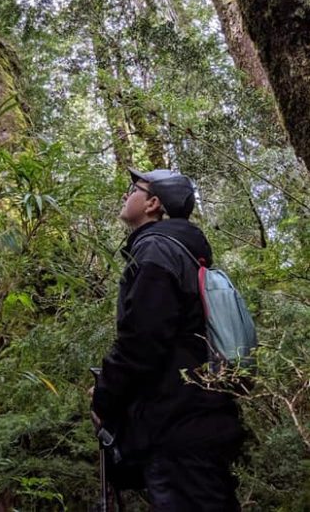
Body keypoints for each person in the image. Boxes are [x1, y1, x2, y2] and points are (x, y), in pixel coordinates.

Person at [91, 167, 243, 511]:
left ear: (152, 203)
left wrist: (104, 396)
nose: (126, 194)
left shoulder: (157, 251)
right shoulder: (184, 253)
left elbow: (142, 340)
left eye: (134, 188)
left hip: (177, 427)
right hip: (198, 420)